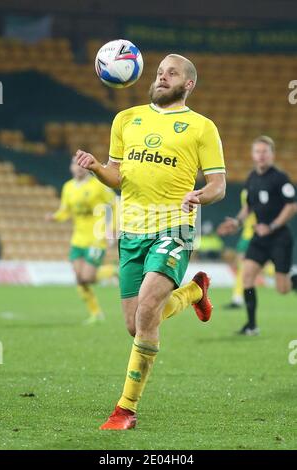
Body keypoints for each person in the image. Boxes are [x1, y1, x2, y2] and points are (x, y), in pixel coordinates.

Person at [76, 54, 226, 429]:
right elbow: (117, 175)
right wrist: (97, 168)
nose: (162, 77)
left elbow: (218, 185)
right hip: (131, 231)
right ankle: (193, 293)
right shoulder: (125, 119)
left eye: (171, 73)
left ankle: (125, 410)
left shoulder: (202, 127)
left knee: (146, 314)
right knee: (135, 323)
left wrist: (199, 196)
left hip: (175, 227)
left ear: (188, 84)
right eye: (159, 72)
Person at [218, 136, 297, 335]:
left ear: (272, 154)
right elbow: (249, 207)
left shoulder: (280, 178)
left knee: (283, 289)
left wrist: (271, 226)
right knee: (247, 276)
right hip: (260, 238)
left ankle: (293, 278)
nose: (260, 156)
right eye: (257, 152)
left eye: (264, 152)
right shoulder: (252, 178)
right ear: (253, 155)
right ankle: (251, 325)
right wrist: (236, 222)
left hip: (279, 237)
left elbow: (291, 206)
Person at [45, 156, 116, 324]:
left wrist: (111, 228)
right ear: (71, 167)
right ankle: (96, 313)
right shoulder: (68, 187)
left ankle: (113, 271)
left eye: (81, 165)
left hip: (96, 237)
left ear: (87, 167)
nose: (78, 168)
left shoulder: (98, 185)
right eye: (74, 164)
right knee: (79, 278)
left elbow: (115, 204)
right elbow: (65, 211)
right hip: (78, 238)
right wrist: (54, 217)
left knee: (87, 277)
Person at [222, 189, 256, 309]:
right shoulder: (247, 191)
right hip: (248, 234)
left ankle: (237, 298)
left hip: (256, 234)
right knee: (242, 266)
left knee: (245, 266)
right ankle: (237, 298)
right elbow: (247, 212)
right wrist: (236, 224)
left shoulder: (248, 191)